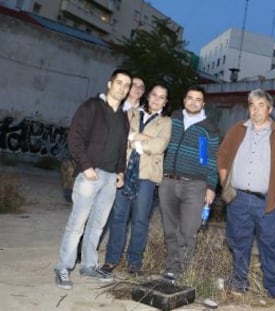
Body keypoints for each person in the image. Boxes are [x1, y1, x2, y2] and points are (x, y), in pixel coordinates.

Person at [217, 88, 275, 306]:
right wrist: (226, 183)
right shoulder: (237, 130)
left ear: (269, 109)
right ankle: (239, 284)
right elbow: (223, 156)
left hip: (267, 201)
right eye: (252, 105)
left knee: (271, 244)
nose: (256, 110)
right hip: (239, 199)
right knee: (239, 242)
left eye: (261, 105)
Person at [54, 69, 132, 289]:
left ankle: (88, 266)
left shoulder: (123, 117)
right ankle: (63, 267)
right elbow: (74, 137)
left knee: (97, 225)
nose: (123, 88)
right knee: (77, 223)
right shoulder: (91, 107)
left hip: (110, 179)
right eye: (119, 83)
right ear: (109, 84)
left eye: (127, 85)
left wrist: (120, 171)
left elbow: (121, 148)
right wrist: (86, 166)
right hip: (90, 175)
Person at [102, 84, 171, 275]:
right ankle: (111, 259)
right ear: (148, 96)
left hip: (146, 176)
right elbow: (121, 137)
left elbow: (160, 145)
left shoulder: (166, 122)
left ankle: (134, 262)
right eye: (154, 95)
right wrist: (144, 138)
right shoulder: (130, 114)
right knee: (118, 218)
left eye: (161, 97)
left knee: (140, 220)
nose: (157, 99)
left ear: (165, 102)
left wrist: (135, 139)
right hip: (124, 172)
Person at [159, 85, 219, 281]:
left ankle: (183, 272)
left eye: (198, 99)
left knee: (187, 232)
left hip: (195, 186)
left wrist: (211, 187)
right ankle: (171, 269)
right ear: (184, 100)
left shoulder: (210, 128)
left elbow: (212, 160)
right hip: (168, 181)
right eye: (190, 98)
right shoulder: (174, 119)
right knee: (170, 229)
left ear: (203, 103)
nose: (193, 102)